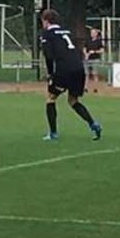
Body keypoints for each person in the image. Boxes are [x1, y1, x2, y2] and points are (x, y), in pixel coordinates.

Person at [40, 9, 102, 141]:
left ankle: (53, 133)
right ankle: (93, 124)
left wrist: (50, 74)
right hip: (78, 68)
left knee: (51, 98)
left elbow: (48, 56)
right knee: (73, 100)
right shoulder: (67, 31)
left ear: (46, 21)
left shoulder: (47, 33)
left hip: (64, 69)